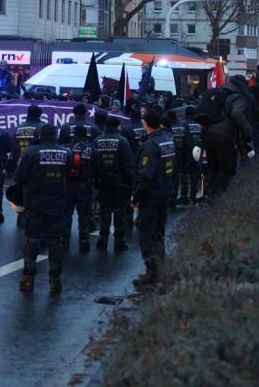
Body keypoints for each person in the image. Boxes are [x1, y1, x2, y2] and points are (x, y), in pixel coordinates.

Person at [15, 124, 72, 293]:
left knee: (32, 241)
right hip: (57, 202)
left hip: (34, 203)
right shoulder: (66, 153)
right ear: (56, 135)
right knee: (55, 241)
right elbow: (68, 174)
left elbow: (19, 177)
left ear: (40, 135)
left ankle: (28, 279)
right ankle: (55, 280)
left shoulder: (30, 152)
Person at [133, 110, 176, 285]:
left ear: (145, 124)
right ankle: (161, 267)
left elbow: (146, 175)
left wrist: (136, 197)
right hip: (164, 193)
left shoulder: (150, 145)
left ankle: (152, 272)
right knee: (159, 232)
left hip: (151, 195)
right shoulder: (167, 140)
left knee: (148, 234)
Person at [202, 75, 253, 199]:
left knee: (213, 166)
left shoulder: (220, 93)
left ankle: (209, 197)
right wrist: (248, 132)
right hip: (224, 135)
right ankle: (213, 196)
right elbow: (237, 114)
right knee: (227, 167)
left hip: (208, 133)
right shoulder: (237, 97)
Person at [93, 116, 134, 252]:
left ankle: (103, 240)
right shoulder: (122, 141)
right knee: (119, 211)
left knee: (104, 210)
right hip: (119, 183)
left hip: (102, 182)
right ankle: (119, 241)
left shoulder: (97, 141)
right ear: (118, 126)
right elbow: (128, 164)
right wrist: (130, 183)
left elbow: (93, 162)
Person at [65, 125, 99, 253]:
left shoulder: (65, 148)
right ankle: (84, 241)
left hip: (67, 185)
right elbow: (97, 169)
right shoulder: (91, 149)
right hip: (84, 185)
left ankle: (65, 242)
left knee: (66, 214)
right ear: (86, 135)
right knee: (84, 215)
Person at [180, 106, 203, 204]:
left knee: (184, 174)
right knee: (194, 174)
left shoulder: (184, 124)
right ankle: (193, 194)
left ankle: (184, 195)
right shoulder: (199, 125)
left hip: (186, 152)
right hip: (197, 152)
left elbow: (183, 139)